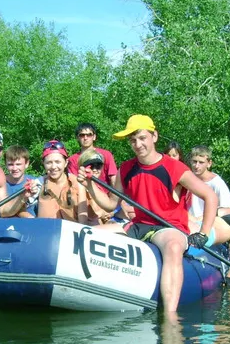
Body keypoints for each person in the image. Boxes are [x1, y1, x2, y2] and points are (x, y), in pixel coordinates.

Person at [78, 114, 218, 313]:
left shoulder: (174, 167)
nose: (137, 144)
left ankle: (170, 317)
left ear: (154, 136)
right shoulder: (126, 168)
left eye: (142, 138)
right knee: (87, 233)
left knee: (172, 246)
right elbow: (110, 205)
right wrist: (90, 186)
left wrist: (203, 233)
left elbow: (210, 196)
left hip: (167, 227)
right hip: (137, 225)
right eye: (133, 140)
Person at [36, 140, 89, 223]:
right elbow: (21, 209)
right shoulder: (38, 183)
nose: (53, 167)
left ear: (66, 163)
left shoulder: (78, 184)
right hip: (45, 232)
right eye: (49, 163)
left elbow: (83, 221)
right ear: (43, 163)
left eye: (58, 162)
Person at [187, 145, 230, 219]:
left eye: (201, 162)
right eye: (194, 161)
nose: (196, 166)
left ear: (209, 163)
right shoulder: (188, 178)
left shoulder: (217, 183)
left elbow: (227, 210)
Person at [0, 145, 38, 218]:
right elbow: (2, 212)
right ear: (6, 164)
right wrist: (23, 197)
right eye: (10, 164)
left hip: (28, 226)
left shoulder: (35, 182)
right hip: (2, 226)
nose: (14, 168)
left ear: (26, 164)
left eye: (18, 164)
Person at [66, 123, 118, 188]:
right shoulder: (72, 159)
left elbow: (113, 179)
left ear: (94, 137)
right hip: (83, 195)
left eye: (89, 135)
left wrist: (115, 197)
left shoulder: (106, 155)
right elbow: (74, 182)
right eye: (82, 135)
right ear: (77, 138)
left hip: (104, 195)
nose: (85, 138)